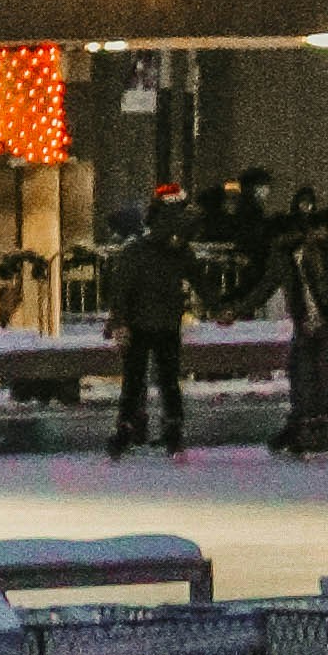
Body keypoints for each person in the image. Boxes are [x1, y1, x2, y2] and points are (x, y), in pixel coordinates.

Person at [105, 187, 192, 463]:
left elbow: (120, 291)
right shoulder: (141, 253)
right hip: (148, 325)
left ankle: (142, 426)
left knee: (155, 379)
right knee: (148, 379)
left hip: (158, 324)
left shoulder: (171, 253)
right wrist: (120, 322)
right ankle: (149, 426)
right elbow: (122, 290)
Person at [267, 183, 328, 460]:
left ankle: (317, 431)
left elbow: (322, 289)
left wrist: (324, 316)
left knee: (321, 376)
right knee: (301, 375)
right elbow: (266, 285)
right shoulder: (289, 258)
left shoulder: (313, 255)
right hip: (307, 323)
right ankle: (302, 428)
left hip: (324, 324)